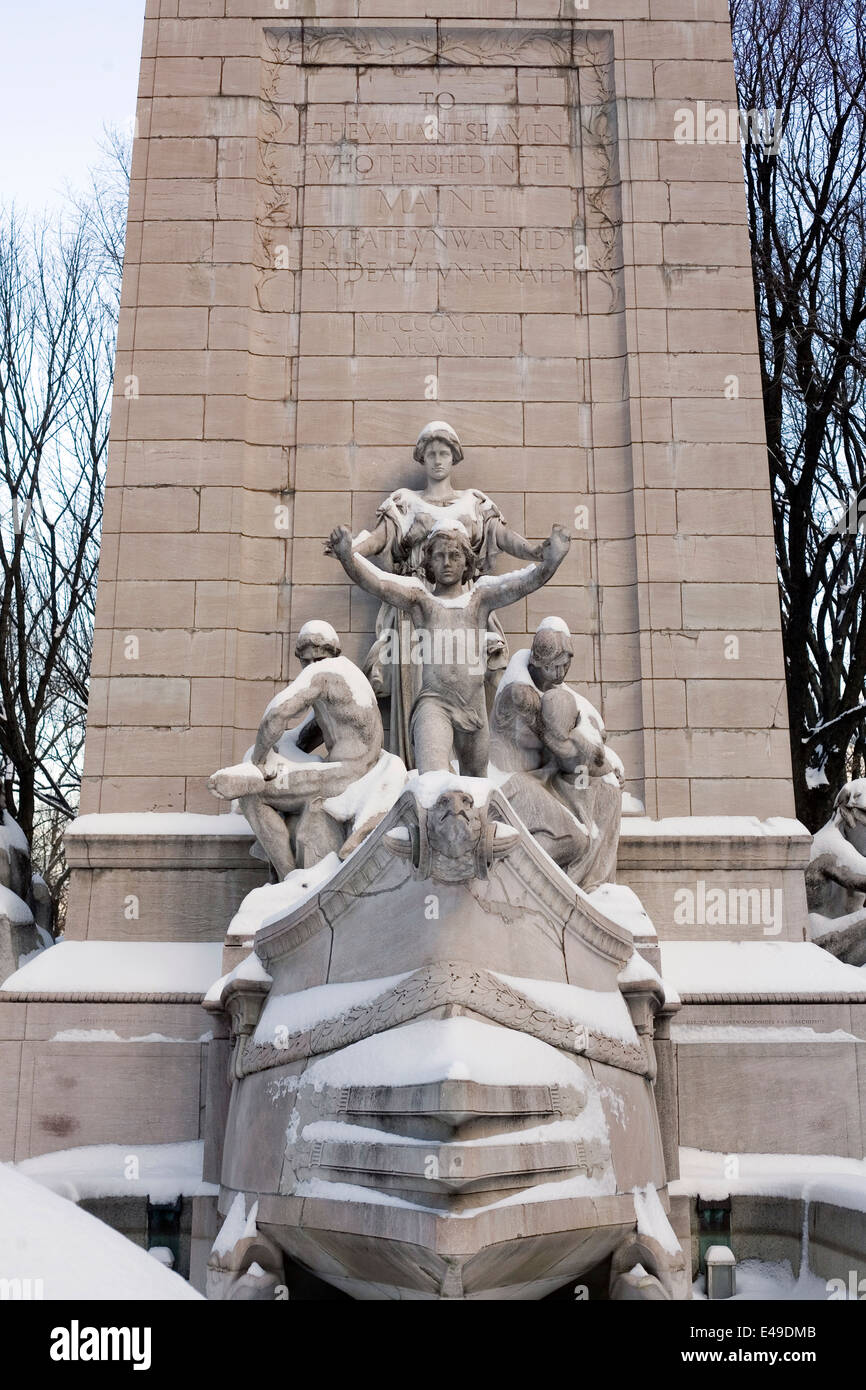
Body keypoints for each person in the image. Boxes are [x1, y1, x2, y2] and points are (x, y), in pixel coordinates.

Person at [324, 420, 543, 766]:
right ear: (422, 459)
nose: (438, 460)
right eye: (431, 454)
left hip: (464, 602)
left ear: (454, 458)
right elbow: (377, 539)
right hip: (413, 602)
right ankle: (420, 770)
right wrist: (349, 551)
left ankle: (470, 775)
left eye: (444, 453)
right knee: (419, 688)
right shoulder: (405, 503)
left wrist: (537, 553)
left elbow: (504, 537)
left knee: (478, 679)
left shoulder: (474, 503)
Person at [328, 522, 571, 776]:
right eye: (439, 555)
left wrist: (552, 562)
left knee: (477, 788)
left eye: (455, 555)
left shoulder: (480, 599)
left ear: (467, 562)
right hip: (435, 704)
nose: (447, 562)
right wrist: (347, 557)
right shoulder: (421, 601)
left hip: (473, 709)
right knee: (433, 783)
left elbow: (523, 583)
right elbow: (379, 584)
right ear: (429, 562)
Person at [208, 622, 386, 878]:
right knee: (272, 757)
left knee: (253, 795)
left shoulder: (320, 673)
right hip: (354, 769)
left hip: (347, 775)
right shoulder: (347, 677)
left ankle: (288, 877)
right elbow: (303, 736)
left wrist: (257, 761)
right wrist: (269, 753)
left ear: (305, 657)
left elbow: (276, 716)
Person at [490, 618, 623, 891]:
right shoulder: (520, 694)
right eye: (556, 664)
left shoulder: (551, 687)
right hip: (510, 786)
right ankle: (511, 876)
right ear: (538, 662)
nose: (562, 671)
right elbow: (561, 744)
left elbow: (586, 720)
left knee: (607, 790)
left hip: (543, 779)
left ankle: (594, 886)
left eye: (567, 663)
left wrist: (606, 763)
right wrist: (602, 760)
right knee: (575, 839)